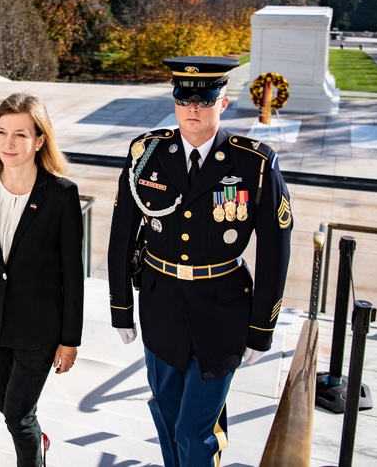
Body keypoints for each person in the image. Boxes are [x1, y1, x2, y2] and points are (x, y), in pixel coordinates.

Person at [107, 56, 292, 467]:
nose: (193, 109)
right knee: (168, 415)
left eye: (205, 101)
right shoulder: (146, 154)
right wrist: (121, 308)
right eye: (184, 99)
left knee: (196, 430)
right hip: (161, 304)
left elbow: (276, 251)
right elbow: (122, 234)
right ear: (175, 102)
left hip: (222, 309)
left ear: (222, 104)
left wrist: (262, 328)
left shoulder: (255, 163)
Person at [0, 92, 84, 467]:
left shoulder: (61, 194)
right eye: (2, 132)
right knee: (6, 405)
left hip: (40, 326)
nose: (8, 143)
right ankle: (37, 439)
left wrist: (70, 339)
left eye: (21, 134)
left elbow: (73, 273)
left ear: (40, 139)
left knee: (18, 415)